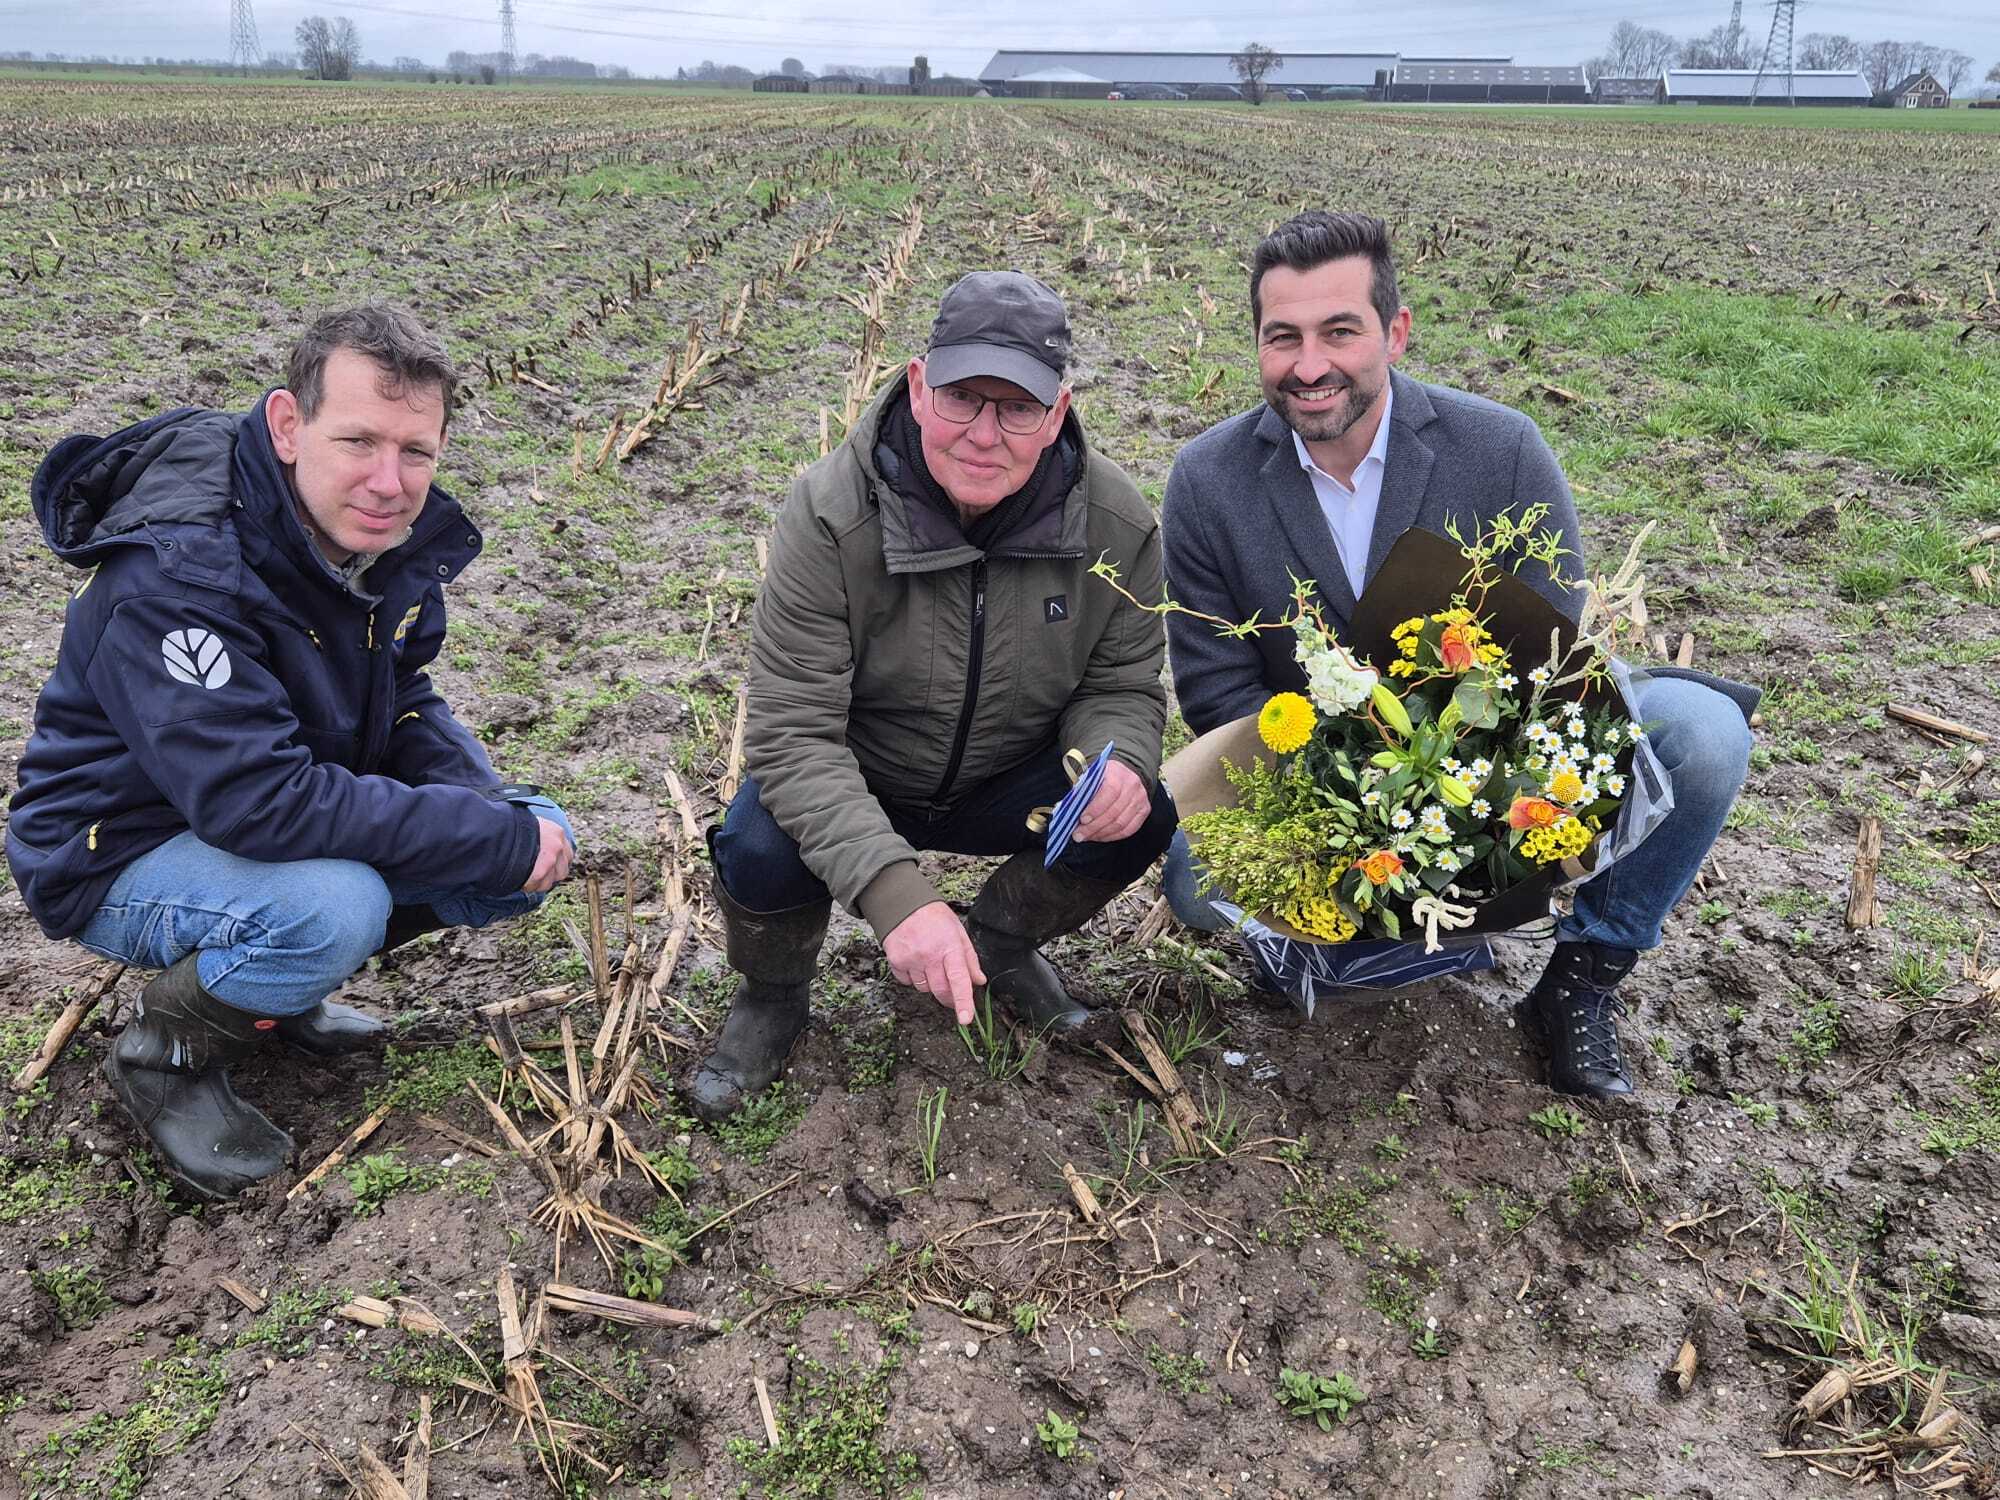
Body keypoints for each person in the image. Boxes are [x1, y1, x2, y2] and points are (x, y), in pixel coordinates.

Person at [1160, 211, 1754, 1102]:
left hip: (1503, 741)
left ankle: (1582, 978)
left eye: (1339, 331)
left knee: (1704, 737)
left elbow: (1551, 650)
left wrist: (1459, 804)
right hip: (1319, 771)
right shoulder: (1208, 480)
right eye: (1283, 337)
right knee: (1195, 879)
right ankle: (1376, 937)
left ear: (1396, 332)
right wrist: (1355, 809)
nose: (1309, 365)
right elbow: (1218, 693)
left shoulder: (1501, 448)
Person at [5, 304, 575, 1199]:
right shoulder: (177, 574)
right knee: (335, 906)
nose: (388, 482)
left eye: (416, 452)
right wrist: (480, 835)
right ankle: (165, 1058)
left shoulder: (367, 543)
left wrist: (488, 812)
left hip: (256, 812)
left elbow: (403, 698)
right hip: (113, 848)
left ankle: (279, 994)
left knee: (525, 836)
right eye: (358, 442)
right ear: (286, 424)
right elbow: (256, 803)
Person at [690, 271, 1176, 1121]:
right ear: (918, 387)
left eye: (1017, 408)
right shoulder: (830, 515)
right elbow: (793, 735)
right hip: (864, 772)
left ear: (1057, 413)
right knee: (760, 841)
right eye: (961, 399)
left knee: (1141, 815)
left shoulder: (1117, 524)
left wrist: (1117, 761)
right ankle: (773, 992)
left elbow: (1122, 681)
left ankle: (1002, 942)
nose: (984, 435)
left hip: (1009, 778)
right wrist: (898, 900)